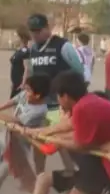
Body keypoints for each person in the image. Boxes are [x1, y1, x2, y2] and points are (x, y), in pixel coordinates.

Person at [23, 13, 82, 176]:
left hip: (59, 104)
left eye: (38, 31)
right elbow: (33, 74)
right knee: (42, 140)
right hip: (41, 102)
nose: (34, 35)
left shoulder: (63, 46)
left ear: (47, 29)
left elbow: (79, 71)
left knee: (57, 139)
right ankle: (40, 175)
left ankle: (74, 171)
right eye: (32, 31)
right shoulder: (33, 49)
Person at [9, 28, 31, 98]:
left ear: (21, 38)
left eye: (16, 36)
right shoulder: (19, 51)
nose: (14, 38)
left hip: (20, 83)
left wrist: (23, 83)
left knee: (18, 104)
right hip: (16, 83)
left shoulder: (25, 51)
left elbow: (27, 68)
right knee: (14, 103)